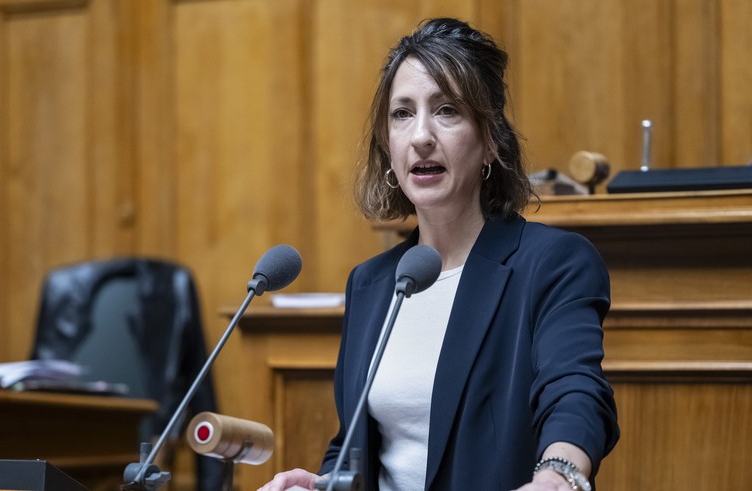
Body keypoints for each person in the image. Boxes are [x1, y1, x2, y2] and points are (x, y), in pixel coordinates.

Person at [259, 17, 619, 491]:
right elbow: (357, 445)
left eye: (447, 110)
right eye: (402, 114)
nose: (420, 136)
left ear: (490, 141)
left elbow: (576, 393)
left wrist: (558, 476)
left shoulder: (552, 264)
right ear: (387, 145)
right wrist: (322, 484)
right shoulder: (371, 283)